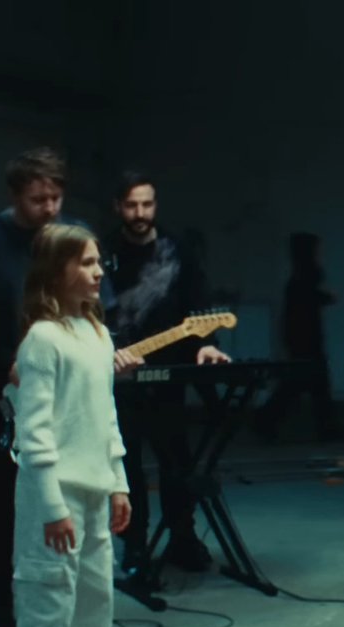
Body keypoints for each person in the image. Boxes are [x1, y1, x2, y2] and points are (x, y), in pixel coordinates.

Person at [0, 147, 108, 627]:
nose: (49, 208)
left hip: (67, 395)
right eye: (38, 199)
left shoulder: (72, 237)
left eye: (56, 197)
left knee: (72, 500)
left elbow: (94, 306)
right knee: (1, 505)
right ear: (14, 195)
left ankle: (70, 613)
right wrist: (6, 364)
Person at [10, 224, 132, 627]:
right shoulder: (43, 339)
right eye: (86, 263)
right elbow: (34, 432)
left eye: (100, 262)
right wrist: (52, 508)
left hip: (95, 494)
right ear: (56, 270)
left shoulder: (98, 334)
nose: (99, 272)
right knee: (48, 612)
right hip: (55, 498)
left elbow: (105, 417)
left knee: (94, 610)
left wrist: (118, 483)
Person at [105, 171, 230, 577]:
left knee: (176, 460)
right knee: (126, 467)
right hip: (117, 377)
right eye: (131, 205)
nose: (140, 213)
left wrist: (206, 342)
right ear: (118, 207)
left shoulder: (178, 250)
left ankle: (183, 538)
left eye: (147, 204)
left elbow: (198, 302)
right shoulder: (103, 253)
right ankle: (135, 547)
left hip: (169, 374)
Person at [255, 232, 341, 441]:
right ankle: (266, 420)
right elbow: (307, 301)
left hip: (301, 337)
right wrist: (325, 297)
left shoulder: (299, 278)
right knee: (305, 384)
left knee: (301, 384)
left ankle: (266, 421)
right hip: (306, 338)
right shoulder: (304, 278)